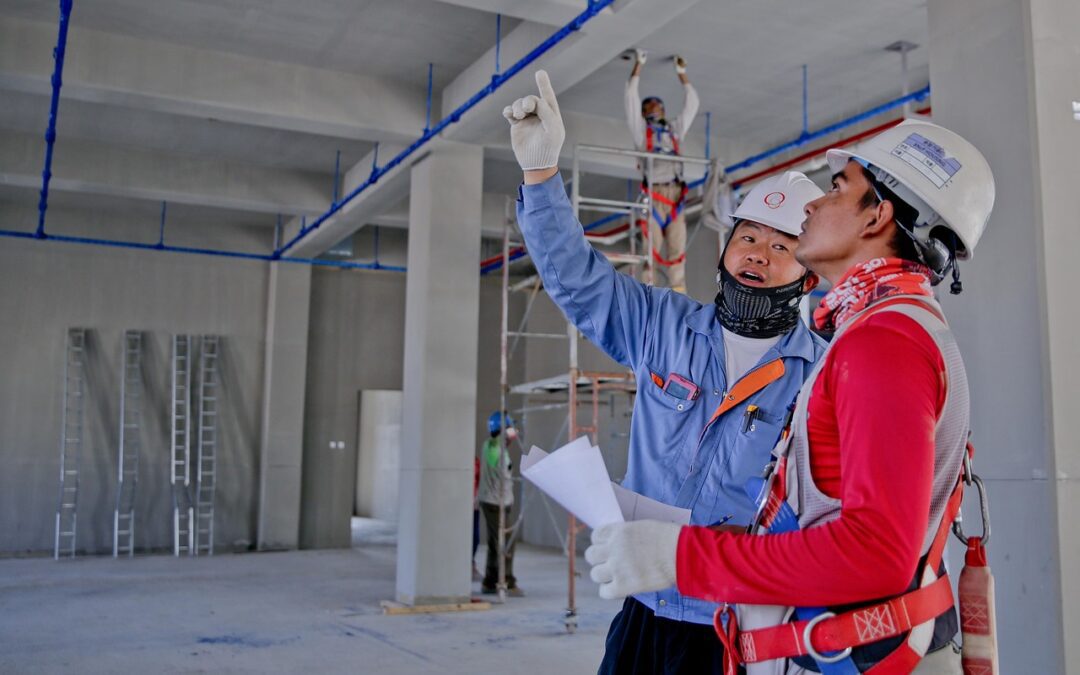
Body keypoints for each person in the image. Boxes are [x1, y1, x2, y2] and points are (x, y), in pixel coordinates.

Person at [585, 119, 996, 675]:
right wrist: (739, 540)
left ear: (877, 216)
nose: (808, 207)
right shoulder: (883, 329)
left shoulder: (883, 342)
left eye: (836, 189)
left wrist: (683, 556)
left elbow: (876, 554)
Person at [503, 71, 826, 674]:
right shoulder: (662, 325)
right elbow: (577, 279)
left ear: (808, 276)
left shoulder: (823, 373)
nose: (758, 252)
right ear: (726, 251)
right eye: (748, 237)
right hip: (645, 611)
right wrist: (542, 175)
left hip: (745, 625)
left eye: (782, 247)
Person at [625, 49, 700, 293]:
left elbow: (692, 105)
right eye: (649, 106)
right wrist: (638, 66)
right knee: (651, 252)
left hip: (676, 196)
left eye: (657, 105)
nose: (653, 108)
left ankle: (679, 300)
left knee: (678, 253)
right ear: (644, 113)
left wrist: (682, 74)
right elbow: (630, 99)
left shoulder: (674, 131)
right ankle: (650, 296)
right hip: (654, 197)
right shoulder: (641, 134)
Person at [478, 411, 523, 597]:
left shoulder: (488, 445)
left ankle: (490, 581)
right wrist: (510, 434)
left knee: (494, 543)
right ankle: (506, 581)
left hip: (489, 501)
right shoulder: (499, 450)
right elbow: (505, 472)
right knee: (506, 544)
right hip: (497, 503)